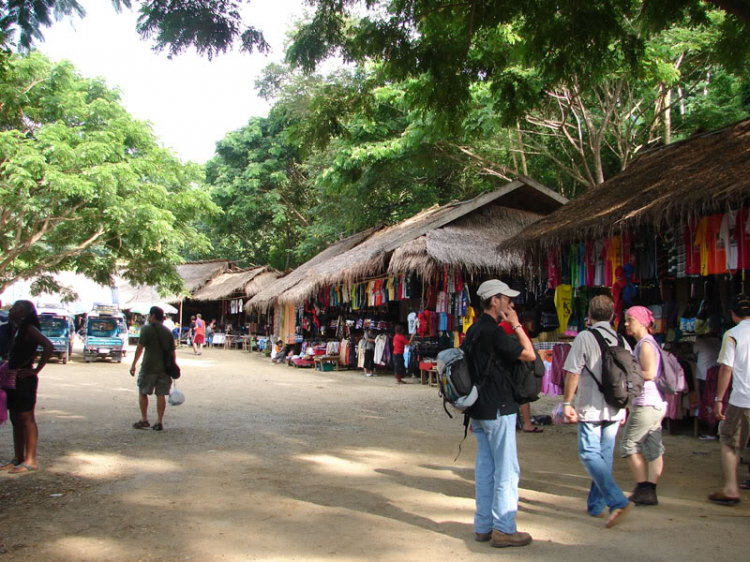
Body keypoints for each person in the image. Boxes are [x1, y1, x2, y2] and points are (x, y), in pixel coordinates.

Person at [463, 279, 536, 548]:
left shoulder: (472, 331)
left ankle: (483, 526)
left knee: (485, 469)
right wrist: (516, 323)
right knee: (506, 470)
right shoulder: (494, 332)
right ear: (495, 301)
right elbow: (529, 354)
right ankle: (504, 528)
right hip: (499, 408)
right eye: (507, 299)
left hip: (479, 409)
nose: (510, 303)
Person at [562, 294, 634, 528]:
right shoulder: (622, 340)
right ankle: (595, 505)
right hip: (615, 407)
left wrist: (566, 402)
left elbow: (573, 372)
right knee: (603, 457)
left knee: (589, 454)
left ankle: (616, 500)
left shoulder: (584, 337)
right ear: (614, 316)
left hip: (591, 406)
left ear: (589, 316)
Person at [0, 300, 53, 474]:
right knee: (15, 418)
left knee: (26, 417)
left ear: (24, 313)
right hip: (12, 378)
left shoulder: (29, 329)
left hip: (24, 379)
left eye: (16, 308)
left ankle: (31, 460)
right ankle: (18, 458)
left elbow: (48, 345)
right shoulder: (15, 328)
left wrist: (35, 370)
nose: (11, 310)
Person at [620, 306, 667, 506]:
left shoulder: (646, 344)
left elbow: (650, 373)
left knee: (629, 445)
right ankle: (650, 489)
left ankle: (643, 487)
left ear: (641, 322)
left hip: (646, 403)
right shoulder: (646, 343)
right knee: (653, 448)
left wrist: (628, 376)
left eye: (630, 319)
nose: (626, 324)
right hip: (655, 403)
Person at [709, 293, 750, 504]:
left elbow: (726, 369)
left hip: (743, 399)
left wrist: (718, 399)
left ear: (733, 314)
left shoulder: (732, 334)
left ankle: (731, 489)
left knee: (728, 441)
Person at [129, 306, 174, 432]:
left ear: (153, 316)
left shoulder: (147, 329)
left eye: (149, 315)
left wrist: (133, 364)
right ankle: (159, 421)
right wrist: (172, 367)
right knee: (161, 394)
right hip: (164, 368)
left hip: (149, 366)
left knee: (143, 392)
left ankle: (144, 419)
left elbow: (140, 348)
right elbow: (172, 352)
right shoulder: (167, 332)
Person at [498, 320, 542, 433]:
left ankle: (509, 422)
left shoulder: (499, 328)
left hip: (506, 364)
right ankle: (526, 423)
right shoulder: (518, 327)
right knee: (522, 393)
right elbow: (529, 346)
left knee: (504, 391)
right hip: (522, 363)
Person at [693, 317, 722, 439]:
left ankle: (710, 430)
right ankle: (714, 428)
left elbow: (694, 352)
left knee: (705, 402)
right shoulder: (720, 341)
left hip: (704, 376)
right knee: (714, 401)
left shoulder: (700, 342)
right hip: (717, 375)